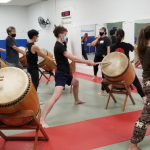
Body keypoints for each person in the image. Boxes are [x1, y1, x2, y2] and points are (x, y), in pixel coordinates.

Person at [40, 26, 95, 128]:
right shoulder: (59, 46)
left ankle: (76, 100)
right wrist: (87, 61)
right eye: (65, 34)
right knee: (55, 97)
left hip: (66, 73)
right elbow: (74, 58)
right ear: (60, 34)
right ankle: (42, 119)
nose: (66, 36)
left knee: (76, 83)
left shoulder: (62, 44)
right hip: (61, 74)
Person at [109, 29, 146, 104]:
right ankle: (144, 98)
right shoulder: (127, 45)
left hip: (116, 72)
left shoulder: (112, 46)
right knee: (136, 81)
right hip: (126, 71)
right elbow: (136, 49)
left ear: (116, 37)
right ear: (124, 37)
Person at [128, 25, 150, 150]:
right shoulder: (149, 49)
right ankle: (133, 144)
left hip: (147, 83)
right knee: (146, 116)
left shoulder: (144, 48)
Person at [91, 27, 111, 96]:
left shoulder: (106, 39)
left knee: (103, 72)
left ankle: (102, 90)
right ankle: (95, 74)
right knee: (94, 65)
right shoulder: (98, 38)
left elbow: (108, 48)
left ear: (105, 31)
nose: (100, 31)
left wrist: (108, 57)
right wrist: (97, 38)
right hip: (97, 55)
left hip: (103, 56)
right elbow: (93, 44)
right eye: (99, 30)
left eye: (101, 30)